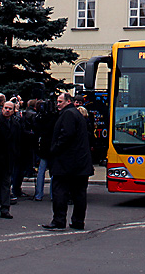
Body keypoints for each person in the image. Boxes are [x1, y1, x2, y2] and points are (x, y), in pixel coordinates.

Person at [43, 93, 93, 231]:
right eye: (57, 101)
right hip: (80, 163)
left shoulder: (68, 114)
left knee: (60, 191)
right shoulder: (77, 114)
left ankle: (59, 220)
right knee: (79, 193)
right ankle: (78, 221)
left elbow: (66, 135)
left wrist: (54, 149)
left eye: (60, 101)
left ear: (68, 101)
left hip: (67, 163)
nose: (57, 104)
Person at [33, 99, 57, 202]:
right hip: (52, 146)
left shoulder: (39, 117)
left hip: (43, 145)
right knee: (53, 173)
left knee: (41, 171)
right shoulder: (55, 117)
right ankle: (53, 195)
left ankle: (39, 194)